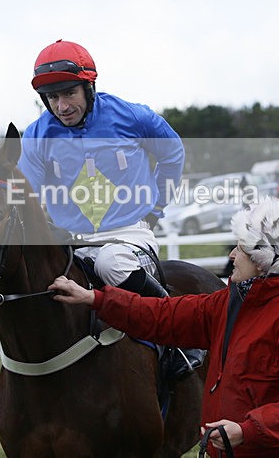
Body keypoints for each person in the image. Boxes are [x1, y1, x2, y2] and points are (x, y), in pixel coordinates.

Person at [49, 196, 279, 457]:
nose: (231, 256)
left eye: (240, 249)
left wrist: (246, 430)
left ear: (264, 261)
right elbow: (163, 315)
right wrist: (95, 298)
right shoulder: (231, 303)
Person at [17, 39, 202, 375]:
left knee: (111, 261)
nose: (62, 105)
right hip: (72, 240)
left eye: (69, 93)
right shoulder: (35, 136)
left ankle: (180, 339)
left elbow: (172, 152)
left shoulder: (132, 116)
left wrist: (157, 206)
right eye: (52, 98)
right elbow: (28, 192)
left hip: (128, 235)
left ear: (89, 86)